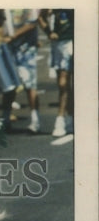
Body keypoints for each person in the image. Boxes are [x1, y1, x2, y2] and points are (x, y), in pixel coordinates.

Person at [40, 9, 73, 137]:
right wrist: (49, 32)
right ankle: (66, 119)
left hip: (73, 41)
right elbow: (41, 17)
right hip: (59, 44)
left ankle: (63, 119)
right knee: (63, 84)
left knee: (66, 82)